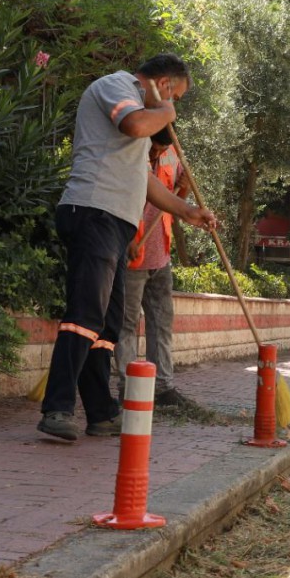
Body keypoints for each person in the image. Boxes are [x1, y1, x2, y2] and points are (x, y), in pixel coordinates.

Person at [37, 54, 217, 443]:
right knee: (84, 315)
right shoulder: (115, 87)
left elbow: (146, 181)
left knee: (107, 326)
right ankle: (57, 408)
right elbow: (136, 124)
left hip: (115, 224)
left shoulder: (138, 122)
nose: (175, 107)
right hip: (91, 212)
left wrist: (189, 212)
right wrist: (166, 110)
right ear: (164, 84)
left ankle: (101, 413)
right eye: (177, 96)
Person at [114, 137, 190, 408]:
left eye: (161, 148)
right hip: (133, 256)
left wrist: (185, 189)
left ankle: (163, 387)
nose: (157, 152)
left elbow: (177, 201)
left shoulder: (173, 153)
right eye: (154, 147)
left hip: (161, 255)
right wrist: (127, 240)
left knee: (162, 322)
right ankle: (129, 386)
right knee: (127, 323)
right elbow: (117, 196)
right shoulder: (132, 149)